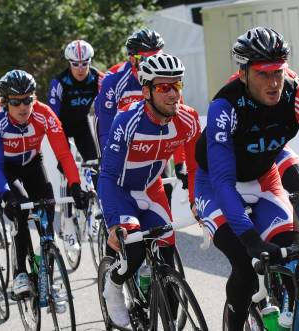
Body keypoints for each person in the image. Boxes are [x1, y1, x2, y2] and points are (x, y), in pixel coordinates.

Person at [193, 27, 299, 330]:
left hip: (264, 179)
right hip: (216, 186)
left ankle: (297, 318)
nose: (274, 82)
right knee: (245, 264)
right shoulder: (224, 107)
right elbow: (224, 183)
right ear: (243, 74)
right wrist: (251, 239)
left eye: (277, 72)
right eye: (263, 74)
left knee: (293, 255)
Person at [98, 53, 200, 327]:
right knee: (133, 253)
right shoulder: (127, 120)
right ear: (146, 91)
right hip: (120, 191)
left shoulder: (187, 120)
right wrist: (111, 223)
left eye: (176, 86)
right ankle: (114, 284)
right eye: (162, 87)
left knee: (167, 254)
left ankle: (163, 308)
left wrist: (198, 202)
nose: (172, 94)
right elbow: (107, 175)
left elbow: (197, 168)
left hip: (151, 190)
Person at [0, 70, 87, 297]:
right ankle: (20, 273)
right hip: (7, 169)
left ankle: (47, 276)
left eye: (28, 100)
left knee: (47, 209)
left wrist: (75, 185)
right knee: (21, 209)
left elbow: (64, 154)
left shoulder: (44, 114)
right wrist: (6, 195)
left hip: (32, 163)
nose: (23, 107)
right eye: (16, 102)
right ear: (4, 102)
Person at [95, 28, 184, 207]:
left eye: (156, 57)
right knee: (118, 190)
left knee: (165, 189)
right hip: (122, 141)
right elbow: (104, 122)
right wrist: (106, 155)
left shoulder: (166, 79)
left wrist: (181, 163)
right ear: (132, 58)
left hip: (153, 140)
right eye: (145, 59)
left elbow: (178, 121)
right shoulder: (114, 79)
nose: (151, 64)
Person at [48, 40, 103, 252]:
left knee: (95, 165)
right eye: (75, 64)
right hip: (61, 129)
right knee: (68, 172)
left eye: (84, 63)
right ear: (69, 63)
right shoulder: (59, 83)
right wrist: (62, 153)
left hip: (81, 127)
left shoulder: (98, 78)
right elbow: (52, 118)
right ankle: (69, 223)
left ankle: (97, 211)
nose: (80, 68)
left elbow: (106, 109)